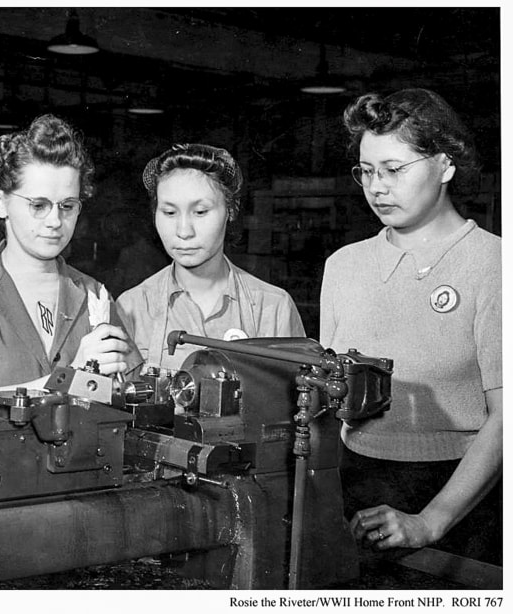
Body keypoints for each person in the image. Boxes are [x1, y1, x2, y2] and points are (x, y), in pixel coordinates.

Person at [319, 89, 501, 565]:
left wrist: (430, 520)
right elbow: (326, 398)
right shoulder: (343, 265)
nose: (377, 187)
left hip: (461, 502)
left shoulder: (493, 264)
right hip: (355, 485)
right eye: (366, 171)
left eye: (394, 169)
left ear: (445, 165)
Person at [0, 115, 141, 390]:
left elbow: (128, 394)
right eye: (38, 205)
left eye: (67, 206)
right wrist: (74, 375)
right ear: (1, 203)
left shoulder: (94, 295)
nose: (54, 220)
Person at [117, 143, 305, 372]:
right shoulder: (132, 308)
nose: (184, 231)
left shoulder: (273, 308)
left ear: (231, 210)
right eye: (169, 212)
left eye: (200, 212)